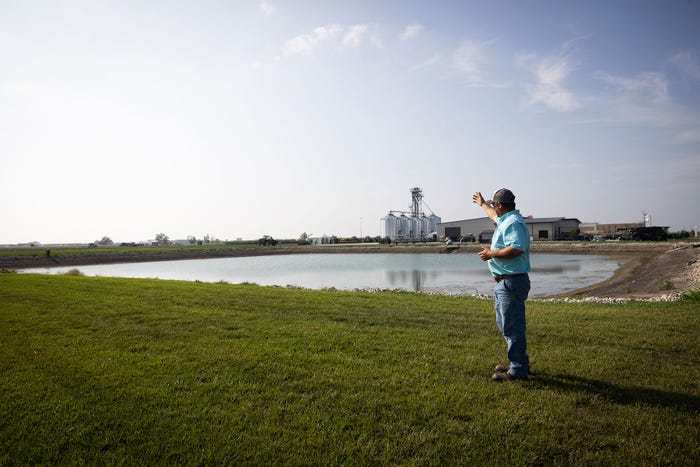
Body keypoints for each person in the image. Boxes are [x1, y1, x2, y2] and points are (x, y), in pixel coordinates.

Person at [472, 188, 531, 382]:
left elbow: (516, 249)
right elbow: (491, 214)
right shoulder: (505, 219)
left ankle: (518, 370)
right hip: (505, 282)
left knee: (512, 326)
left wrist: (491, 254)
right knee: (506, 324)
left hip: (511, 281)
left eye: (493, 204)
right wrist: (482, 204)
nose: (493, 208)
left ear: (500, 205)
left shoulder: (513, 223)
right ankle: (518, 362)